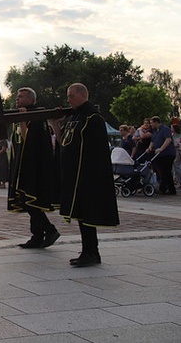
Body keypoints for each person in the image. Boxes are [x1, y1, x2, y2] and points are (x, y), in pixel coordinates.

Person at [53, 83, 119, 267]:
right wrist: (55, 124)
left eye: (71, 96)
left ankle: (92, 252)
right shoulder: (76, 117)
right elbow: (64, 143)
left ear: (82, 95)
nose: (68, 99)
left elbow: (96, 152)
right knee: (81, 215)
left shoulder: (93, 118)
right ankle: (87, 251)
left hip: (88, 175)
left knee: (89, 213)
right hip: (75, 175)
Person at [7, 87, 60, 249]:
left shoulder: (36, 117)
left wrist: (23, 120)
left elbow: (28, 139)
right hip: (22, 165)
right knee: (26, 200)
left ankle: (50, 230)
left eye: (21, 96)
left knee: (30, 200)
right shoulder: (22, 114)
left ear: (30, 99)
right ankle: (37, 236)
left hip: (33, 166)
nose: (17, 99)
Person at [147, 116, 177, 195]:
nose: (151, 124)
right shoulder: (156, 131)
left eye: (152, 123)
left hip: (167, 153)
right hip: (160, 155)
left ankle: (168, 189)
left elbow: (168, 139)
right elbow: (153, 141)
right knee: (163, 171)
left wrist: (161, 148)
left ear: (156, 122)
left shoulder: (165, 129)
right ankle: (165, 188)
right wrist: (150, 148)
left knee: (166, 171)